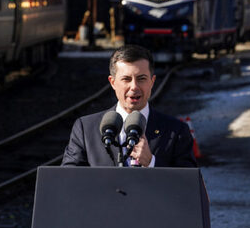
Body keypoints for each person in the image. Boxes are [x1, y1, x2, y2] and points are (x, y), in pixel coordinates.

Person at [61, 45, 197, 167]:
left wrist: (151, 163)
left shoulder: (176, 132)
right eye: (126, 79)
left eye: (141, 79)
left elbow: (187, 187)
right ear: (113, 82)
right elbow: (68, 180)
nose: (134, 87)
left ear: (152, 81)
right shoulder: (86, 128)